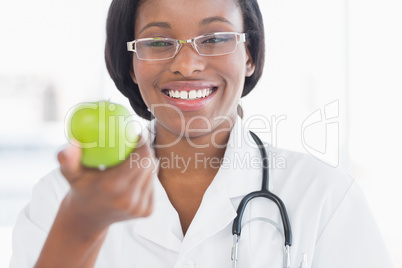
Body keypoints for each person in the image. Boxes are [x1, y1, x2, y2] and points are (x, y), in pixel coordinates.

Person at [11, 0, 394, 267]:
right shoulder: (60, 200)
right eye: (158, 42)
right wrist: (81, 224)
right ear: (130, 64)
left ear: (250, 54)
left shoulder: (326, 198)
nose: (187, 64)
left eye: (214, 38)